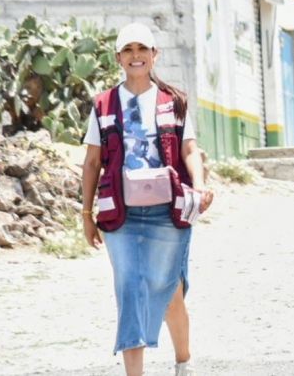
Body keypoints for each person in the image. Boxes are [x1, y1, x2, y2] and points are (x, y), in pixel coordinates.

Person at [81, 22, 214, 376]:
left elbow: (189, 149)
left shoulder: (175, 101)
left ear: (155, 55)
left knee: (168, 289)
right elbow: (93, 161)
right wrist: (84, 213)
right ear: (118, 58)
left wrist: (199, 186)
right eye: (128, 50)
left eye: (143, 49)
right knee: (129, 290)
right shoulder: (103, 104)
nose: (135, 56)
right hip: (120, 216)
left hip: (166, 212)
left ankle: (183, 362)